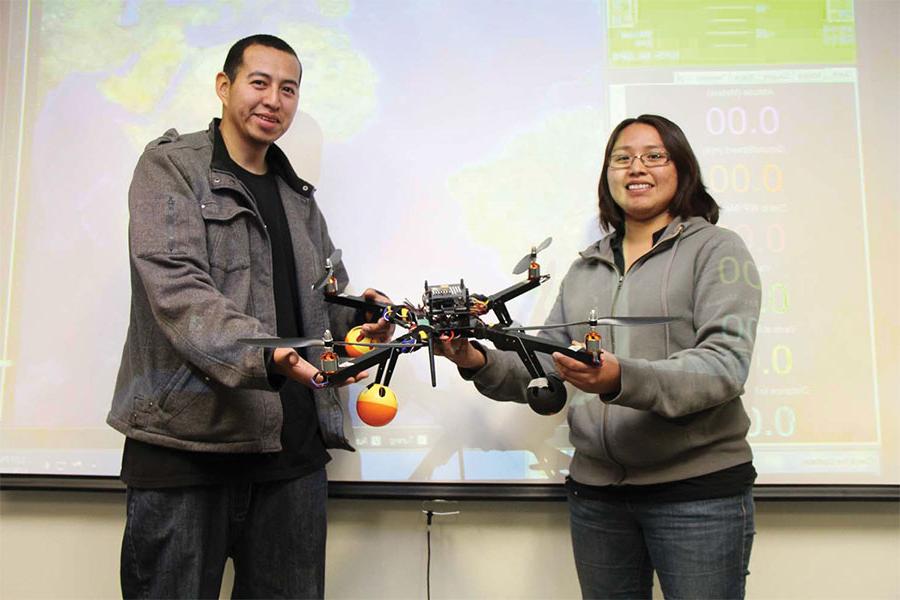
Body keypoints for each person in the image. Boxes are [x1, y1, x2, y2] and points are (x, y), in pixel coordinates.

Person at [107, 34, 391, 599]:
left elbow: (322, 299)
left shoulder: (298, 195)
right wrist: (265, 353)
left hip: (291, 457)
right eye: (259, 83)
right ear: (224, 86)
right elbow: (178, 290)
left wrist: (358, 323)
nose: (273, 100)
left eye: (288, 89)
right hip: (186, 451)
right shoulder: (169, 168)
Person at [439, 114, 761, 599]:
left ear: (682, 171)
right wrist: (473, 360)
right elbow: (543, 365)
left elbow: (723, 367)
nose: (637, 168)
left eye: (654, 156)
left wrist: (618, 379)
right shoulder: (585, 267)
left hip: (697, 494)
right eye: (622, 158)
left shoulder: (717, 251)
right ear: (607, 176)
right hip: (598, 498)